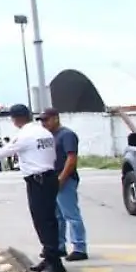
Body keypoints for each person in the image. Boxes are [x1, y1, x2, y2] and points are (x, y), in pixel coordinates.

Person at [0, 104, 65, 272]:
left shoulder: (25, 135)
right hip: (49, 177)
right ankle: (49, 257)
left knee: (43, 222)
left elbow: (3, 152)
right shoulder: (44, 133)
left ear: (16, 119)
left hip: (38, 181)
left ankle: (55, 263)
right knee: (49, 220)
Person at [43, 109, 87, 261]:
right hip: (53, 179)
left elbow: (71, 158)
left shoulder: (66, 135)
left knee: (71, 215)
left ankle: (80, 247)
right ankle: (59, 247)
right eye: (42, 120)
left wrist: (62, 178)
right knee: (57, 216)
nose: (44, 123)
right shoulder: (50, 136)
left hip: (65, 179)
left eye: (46, 120)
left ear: (56, 118)